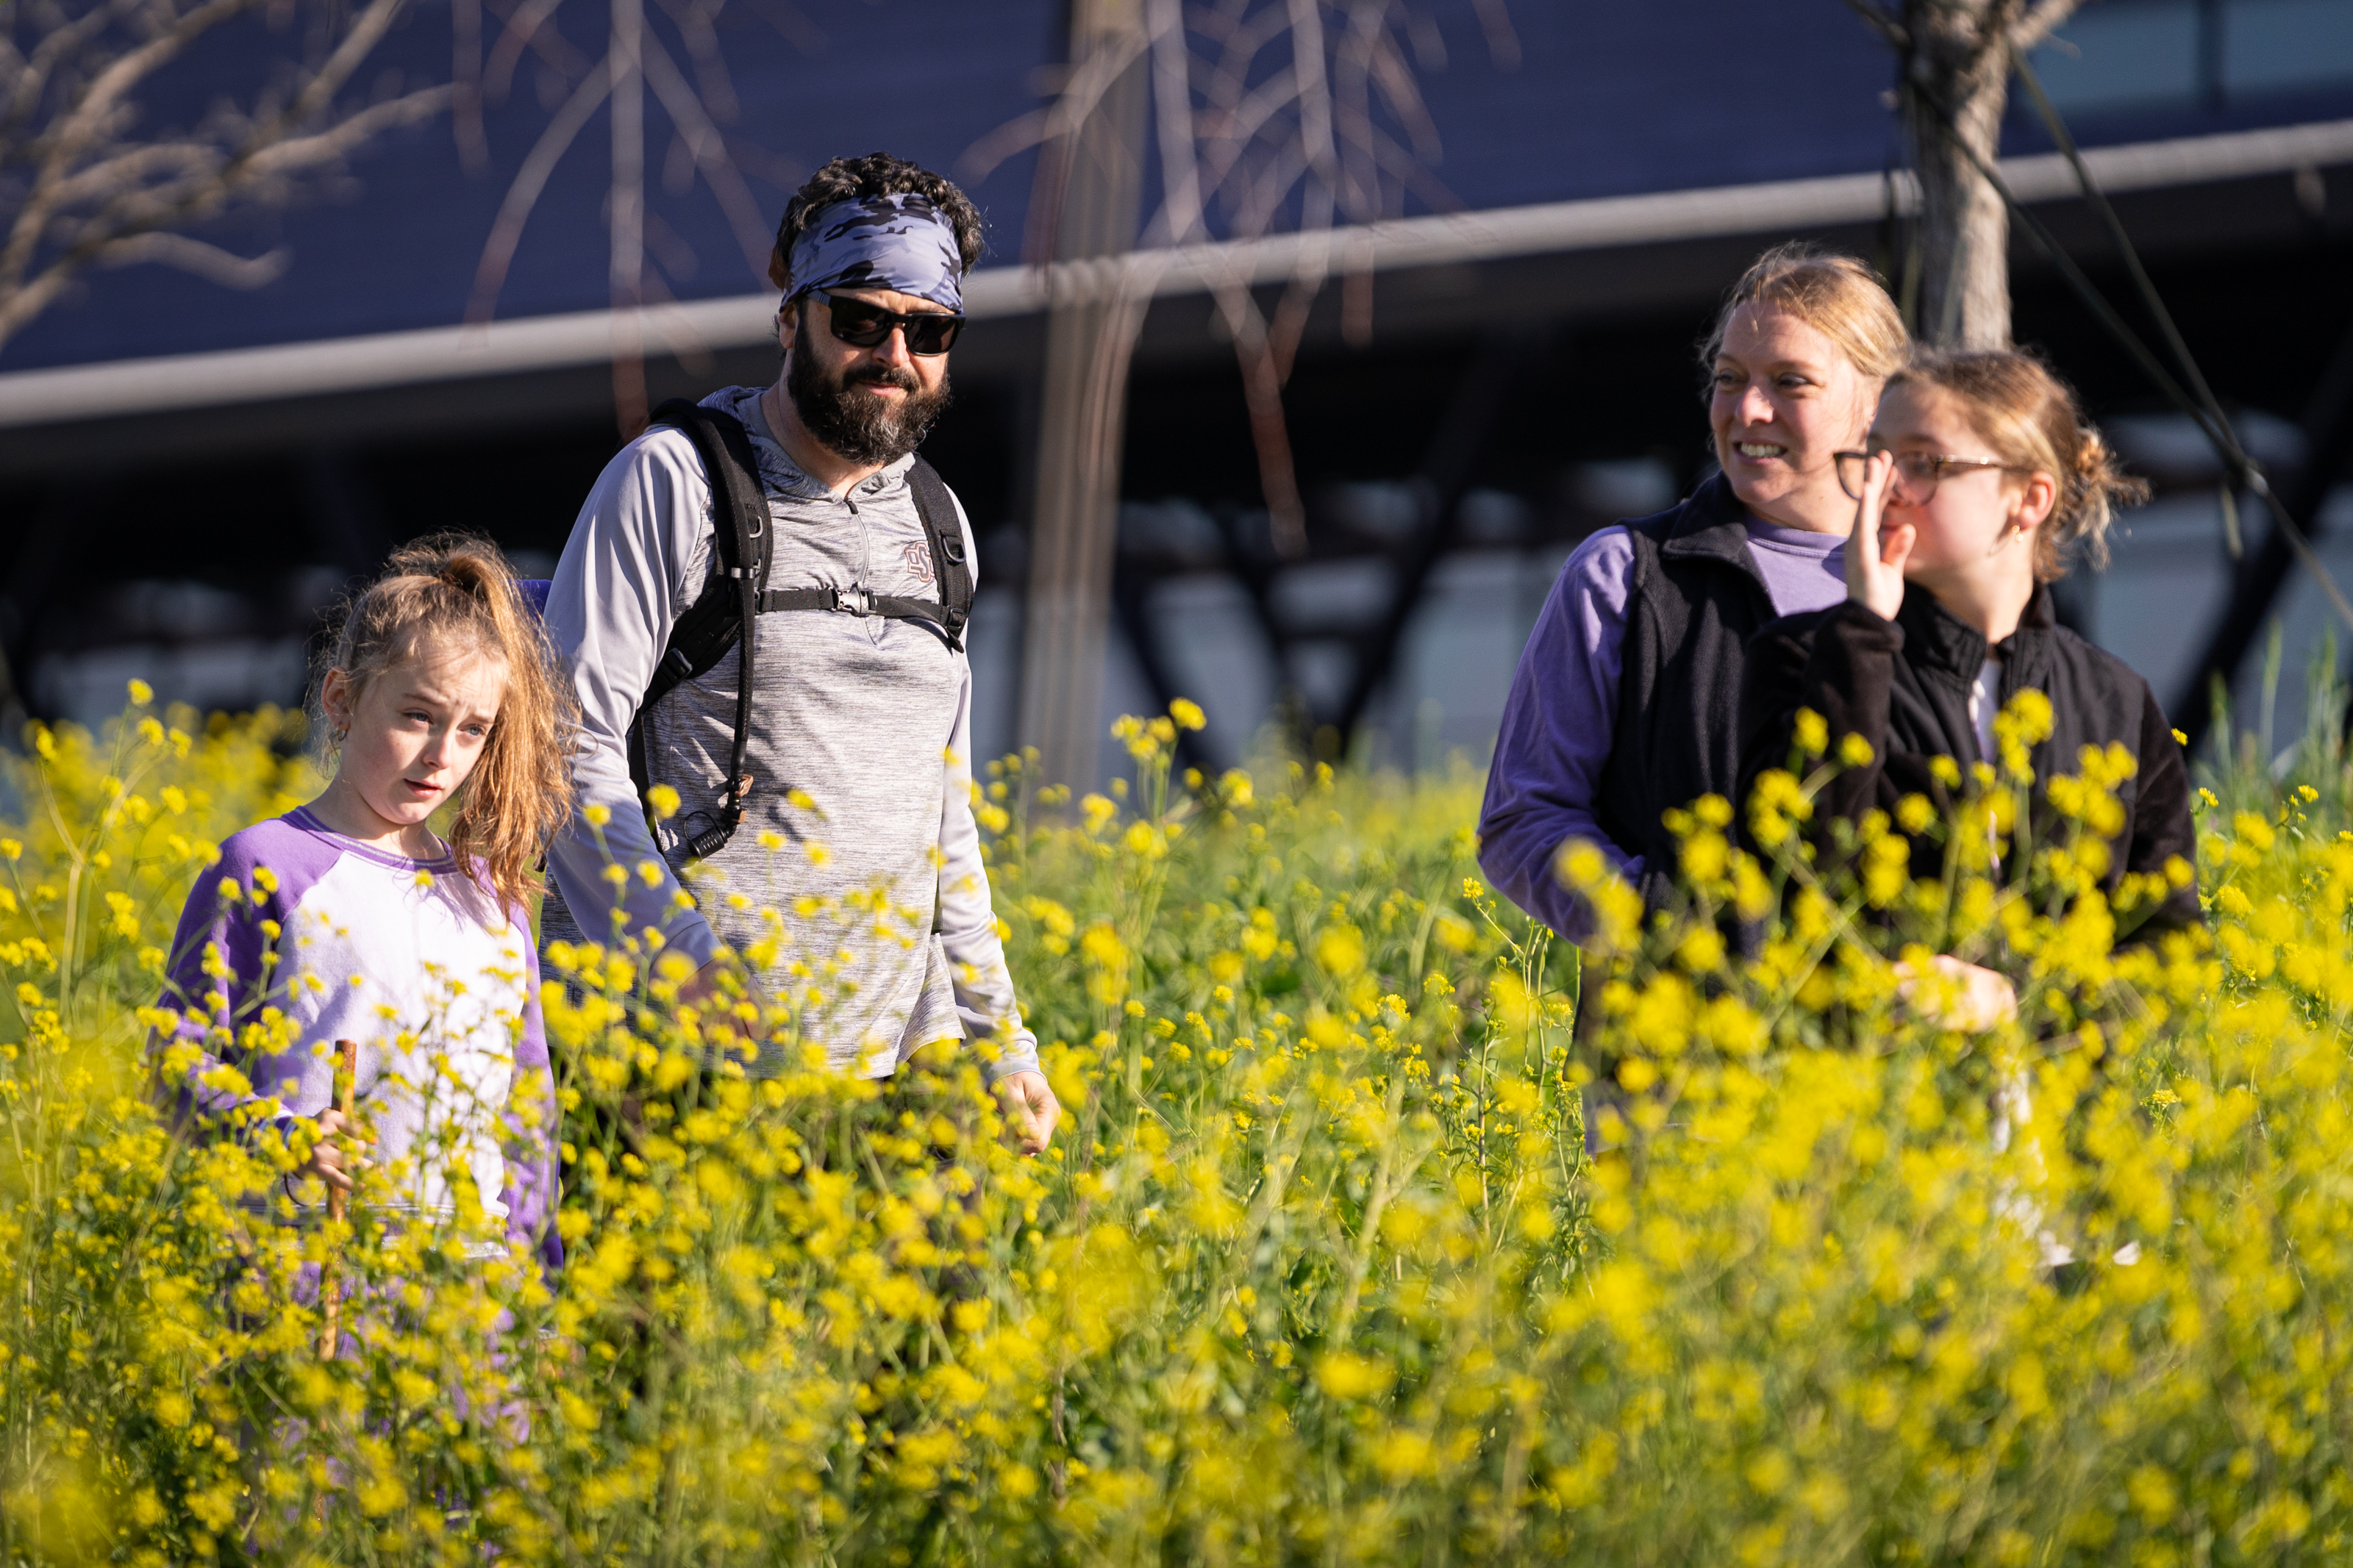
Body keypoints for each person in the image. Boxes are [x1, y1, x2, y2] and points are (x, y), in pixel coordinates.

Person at [540, 151, 1060, 1153]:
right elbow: (567, 747)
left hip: (892, 1074)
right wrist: (674, 954)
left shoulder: (940, 522)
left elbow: (941, 812)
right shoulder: (675, 483)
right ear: (791, 317)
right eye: (859, 320)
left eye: (929, 330)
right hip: (668, 1057)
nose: (894, 354)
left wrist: (1001, 1039)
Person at [1736, 346, 2199, 1024]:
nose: (1883, 487)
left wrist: (2013, 1002)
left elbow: (2169, 954)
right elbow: (1795, 878)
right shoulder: (1802, 657)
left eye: (1924, 463)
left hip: (2057, 1088)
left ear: (2029, 499)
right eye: (1874, 458)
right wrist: (1862, 630)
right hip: (1871, 1076)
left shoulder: (2115, 701)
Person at [154, 535, 571, 1272]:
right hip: (308, 1275)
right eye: (417, 716)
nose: (442, 754)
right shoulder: (267, 864)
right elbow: (174, 1065)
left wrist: (537, 1291)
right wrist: (283, 1138)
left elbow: (526, 1118)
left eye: (473, 730)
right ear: (341, 700)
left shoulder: (495, 900)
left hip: (471, 1295)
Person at [1479, 244, 1909, 939]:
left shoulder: (1929, 586)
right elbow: (1522, 818)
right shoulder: (1624, 576)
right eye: (1729, 378)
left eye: (1791, 382)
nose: (1749, 409)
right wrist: (1671, 933)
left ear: (1876, 405)